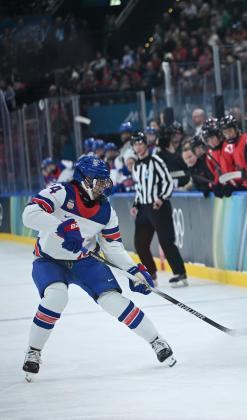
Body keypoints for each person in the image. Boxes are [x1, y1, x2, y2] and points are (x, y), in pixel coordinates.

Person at [21, 155, 176, 381]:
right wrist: (63, 227)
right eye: (99, 180)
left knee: (113, 299)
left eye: (105, 180)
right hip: (49, 259)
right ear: (83, 179)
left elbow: (112, 248)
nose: (104, 185)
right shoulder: (60, 192)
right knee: (55, 297)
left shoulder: (106, 211)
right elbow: (29, 214)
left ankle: (156, 340)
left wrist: (134, 271)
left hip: (84, 260)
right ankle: (33, 350)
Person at [130, 132, 188, 288]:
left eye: (140, 143)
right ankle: (151, 274)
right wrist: (136, 205)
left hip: (158, 206)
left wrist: (161, 198)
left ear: (145, 145)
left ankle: (180, 273)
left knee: (166, 241)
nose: (138, 146)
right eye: (135, 144)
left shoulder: (156, 161)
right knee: (140, 244)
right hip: (143, 208)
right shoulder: (136, 165)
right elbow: (139, 188)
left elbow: (168, 181)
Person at [156, 122, 191, 188]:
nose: (176, 135)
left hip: (185, 182)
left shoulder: (186, 146)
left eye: (178, 133)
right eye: (174, 133)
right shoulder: (162, 152)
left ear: (182, 134)